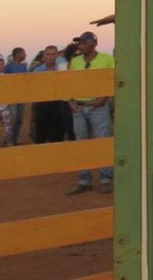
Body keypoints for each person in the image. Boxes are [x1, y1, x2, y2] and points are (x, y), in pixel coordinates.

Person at [67, 31, 115, 194]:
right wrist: (71, 101)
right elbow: (70, 83)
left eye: (83, 42)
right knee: (82, 144)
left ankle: (106, 178)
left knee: (102, 141)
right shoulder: (75, 62)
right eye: (79, 43)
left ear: (93, 43)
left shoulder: (107, 59)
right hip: (79, 107)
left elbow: (114, 80)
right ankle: (84, 179)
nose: (80, 45)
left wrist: (104, 98)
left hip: (98, 107)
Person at [30, 45, 66, 143]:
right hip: (42, 104)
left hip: (59, 104)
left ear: (57, 55)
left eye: (53, 54)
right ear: (44, 56)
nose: (50, 57)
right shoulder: (37, 71)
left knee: (58, 134)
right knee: (41, 134)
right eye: (48, 54)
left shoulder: (63, 70)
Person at [3, 47, 29, 145]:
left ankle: (14, 139)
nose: (25, 55)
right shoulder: (8, 67)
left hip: (21, 97)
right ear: (18, 54)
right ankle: (8, 140)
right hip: (12, 98)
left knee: (19, 120)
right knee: (12, 120)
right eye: (24, 53)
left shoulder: (23, 67)